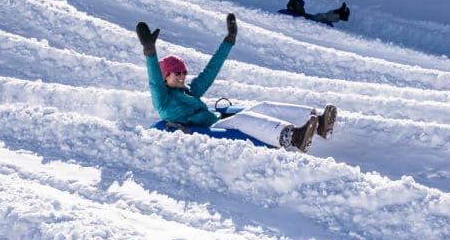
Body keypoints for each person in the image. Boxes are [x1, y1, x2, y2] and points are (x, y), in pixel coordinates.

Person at [135, 13, 337, 152]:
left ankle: (318, 122)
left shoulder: (189, 92)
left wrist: (229, 40)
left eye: (183, 72)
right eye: (176, 72)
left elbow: (210, 70)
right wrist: (150, 51)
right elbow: (153, 81)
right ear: (165, 76)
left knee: (264, 106)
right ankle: (292, 137)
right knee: (242, 119)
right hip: (213, 127)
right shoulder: (163, 100)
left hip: (216, 120)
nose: (181, 76)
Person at [278, 0, 350, 27]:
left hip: (303, 16)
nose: (302, 7)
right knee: (323, 17)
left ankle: (339, 13)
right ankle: (340, 14)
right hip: (305, 19)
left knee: (322, 16)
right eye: (300, 5)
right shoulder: (285, 12)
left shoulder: (286, 11)